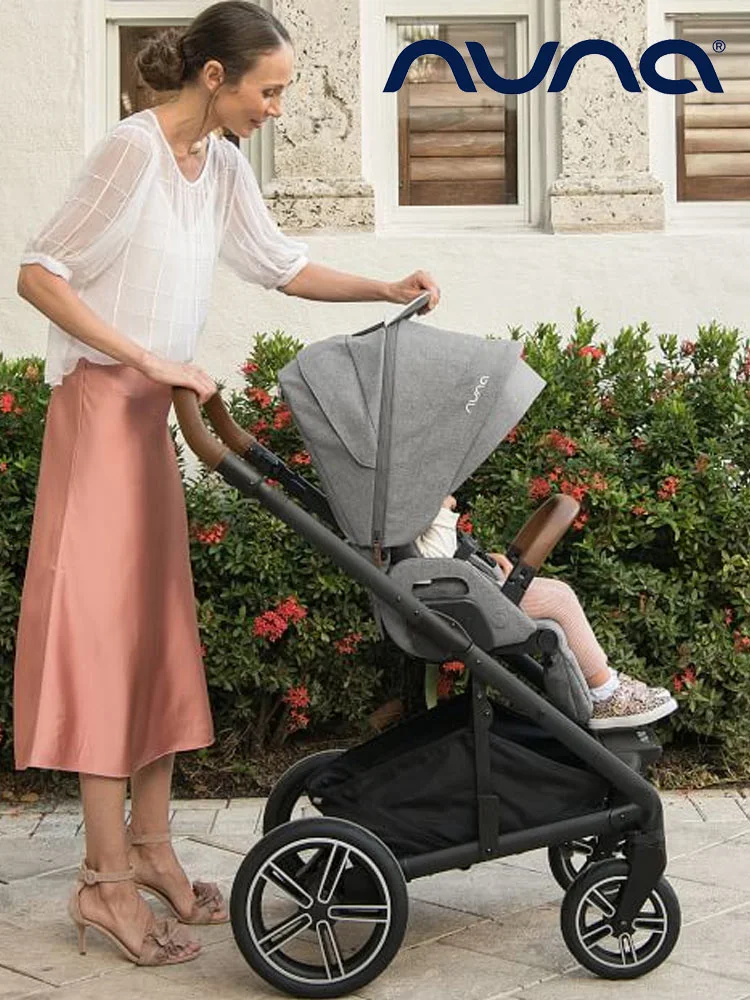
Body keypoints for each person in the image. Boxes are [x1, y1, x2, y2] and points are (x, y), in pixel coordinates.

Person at [13, 0, 440, 967]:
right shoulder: (131, 151)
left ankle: (153, 849)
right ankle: (104, 882)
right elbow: (41, 271)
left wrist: (384, 287)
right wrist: (146, 361)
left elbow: (279, 264)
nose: (278, 108)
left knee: (157, 634)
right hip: (99, 417)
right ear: (216, 78)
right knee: (101, 648)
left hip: (153, 421)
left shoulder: (224, 166)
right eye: (271, 89)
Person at [415, 497, 678, 730]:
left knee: (555, 599)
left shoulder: (399, 503)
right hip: (450, 601)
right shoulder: (407, 504)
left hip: (454, 592)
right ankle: (604, 692)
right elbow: (430, 564)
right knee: (559, 599)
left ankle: (602, 687)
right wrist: (442, 509)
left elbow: (434, 556)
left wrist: (482, 559)